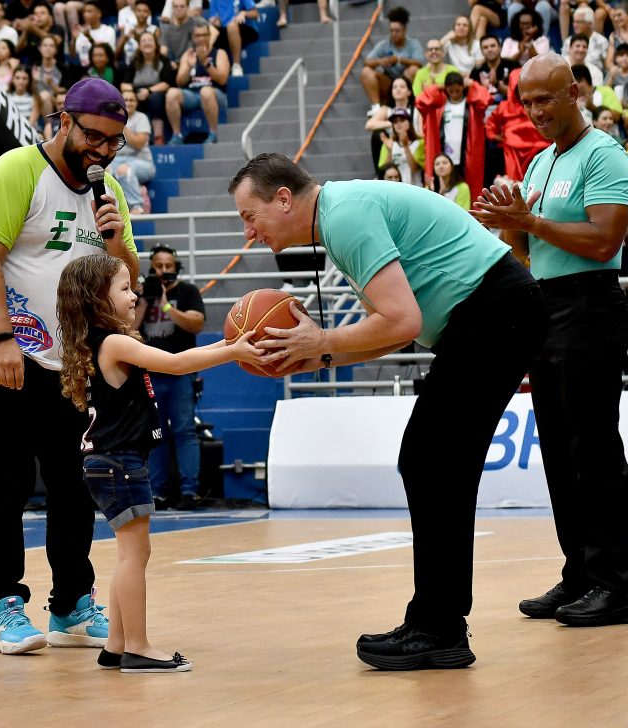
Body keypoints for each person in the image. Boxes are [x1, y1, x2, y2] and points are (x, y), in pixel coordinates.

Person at [229, 152, 548, 670]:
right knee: (432, 463)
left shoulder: (345, 217)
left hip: (495, 312)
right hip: (495, 313)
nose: (249, 232)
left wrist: (322, 341)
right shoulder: (341, 215)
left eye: (250, 216)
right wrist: (315, 356)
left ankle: (438, 626)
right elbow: (391, 331)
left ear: (283, 199)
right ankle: (437, 622)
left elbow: (402, 321)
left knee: (429, 461)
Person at [0, 78, 138, 655]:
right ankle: (4, 607)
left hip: (70, 359)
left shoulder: (109, 192)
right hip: (1, 346)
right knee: (6, 481)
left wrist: (114, 239)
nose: (102, 150)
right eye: (93, 136)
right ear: (64, 122)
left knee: (73, 483)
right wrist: (1, 338)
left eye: (113, 141)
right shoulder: (17, 171)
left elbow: (126, 278)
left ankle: (71, 606)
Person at [471, 54, 628, 627]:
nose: (536, 111)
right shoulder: (540, 163)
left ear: (574, 93)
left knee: (593, 451)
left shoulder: (604, 154)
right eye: (527, 102)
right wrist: (508, 223)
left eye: (545, 98)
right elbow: (527, 252)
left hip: (591, 305)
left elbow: (605, 239)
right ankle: (580, 575)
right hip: (545, 308)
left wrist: (532, 222)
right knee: (561, 456)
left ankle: (614, 586)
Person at [56, 252, 260, 672]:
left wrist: (233, 342)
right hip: (119, 462)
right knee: (134, 556)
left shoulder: (102, 341)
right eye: (124, 288)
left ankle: (116, 644)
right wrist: (233, 352)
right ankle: (138, 646)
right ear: (97, 298)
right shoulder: (114, 343)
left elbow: (179, 356)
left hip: (109, 462)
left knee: (130, 554)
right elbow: (177, 363)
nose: (135, 296)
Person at [133, 243, 205, 510]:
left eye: (168, 266)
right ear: (151, 269)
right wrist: (143, 302)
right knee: (156, 434)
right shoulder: (140, 295)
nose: (163, 271)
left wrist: (166, 307)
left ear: (177, 268)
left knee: (185, 431)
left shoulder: (187, 291)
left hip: (181, 373)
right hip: (150, 374)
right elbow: (128, 330)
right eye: (158, 266)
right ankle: (159, 493)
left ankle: (189, 492)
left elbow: (196, 323)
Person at [165, 20, 229, 144]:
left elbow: (222, 80)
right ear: (193, 38)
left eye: (204, 35)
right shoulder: (188, 54)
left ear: (209, 36)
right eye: (198, 35)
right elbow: (179, 82)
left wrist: (205, 63)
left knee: (206, 92)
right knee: (171, 93)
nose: (201, 38)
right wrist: (189, 66)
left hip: (216, 94)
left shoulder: (219, 53)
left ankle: (213, 133)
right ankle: (177, 135)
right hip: (193, 94)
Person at [359, 5, 424, 118]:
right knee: (366, 71)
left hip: (406, 82)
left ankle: (410, 104)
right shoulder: (384, 44)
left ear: (404, 30)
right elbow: (367, 61)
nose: (394, 34)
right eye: (391, 31)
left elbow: (419, 63)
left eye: (397, 31)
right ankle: (376, 107)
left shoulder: (413, 44)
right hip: (388, 84)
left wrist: (399, 60)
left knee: (414, 69)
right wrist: (380, 61)